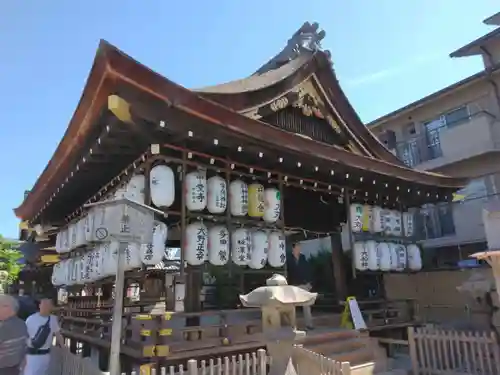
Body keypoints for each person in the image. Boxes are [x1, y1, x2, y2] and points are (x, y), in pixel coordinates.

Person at [24, 298, 64, 375]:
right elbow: (24, 335)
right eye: (44, 304)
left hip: (46, 354)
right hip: (33, 355)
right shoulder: (31, 319)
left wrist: (63, 347)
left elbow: (58, 334)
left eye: (48, 305)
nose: (46, 307)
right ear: (39, 306)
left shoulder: (53, 319)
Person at [286, 242, 314, 329]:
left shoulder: (302, 257)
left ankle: (309, 324)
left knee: (306, 305)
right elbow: (288, 272)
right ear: (293, 249)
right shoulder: (289, 259)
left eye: (299, 248)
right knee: (292, 306)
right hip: (293, 284)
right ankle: (293, 325)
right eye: (297, 248)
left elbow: (307, 270)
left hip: (303, 284)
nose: (299, 249)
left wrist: (309, 283)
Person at [0, 295, 28, 375]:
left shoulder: (3, 327)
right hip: (14, 370)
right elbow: (24, 349)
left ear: (8, 308)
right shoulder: (22, 324)